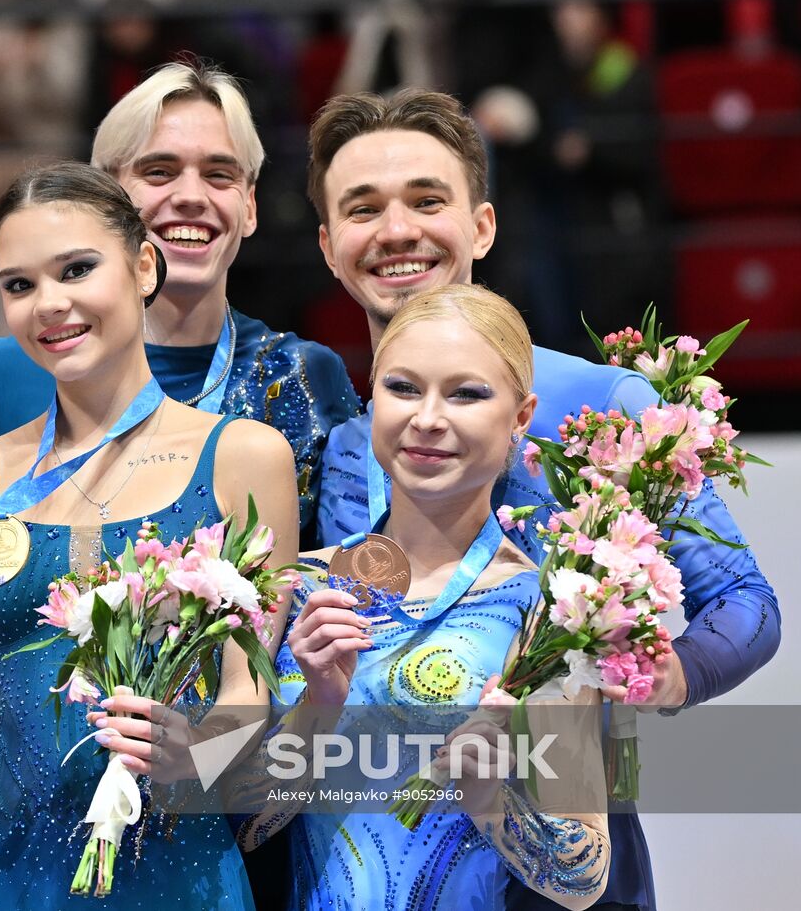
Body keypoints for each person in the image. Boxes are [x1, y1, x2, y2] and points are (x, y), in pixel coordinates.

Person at [308, 88, 779, 910]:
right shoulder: (350, 447)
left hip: (568, 869)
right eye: (363, 208)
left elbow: (747, 602)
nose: (396, 230)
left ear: (482, 225)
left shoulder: (608, 404)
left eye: (427, 200)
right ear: (328, 246)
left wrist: (665, 675)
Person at [0, 162, 299, 906]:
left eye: (77, 269)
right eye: (20, 284)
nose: (49, 305)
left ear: (144, 264)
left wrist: (195, 754)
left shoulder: (245, 459)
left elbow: (248, 698)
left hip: (188, 880)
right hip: (21, 882)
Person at [268, 283, 610, 910]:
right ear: (371, 397)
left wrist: (493, 801)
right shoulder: (303, 588)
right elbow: (237, 829)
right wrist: (315, 711)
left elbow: (583, 877)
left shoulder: (550, 611)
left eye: (467, 394)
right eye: (402, 387)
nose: (428, 417)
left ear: (521, 417)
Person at [0, 61, 360, 543]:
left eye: (219, 174)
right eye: (159, 171)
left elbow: (340, 566)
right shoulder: (1, 373)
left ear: (249, 206)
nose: (191, 196)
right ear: (104, 195)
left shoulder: (304, 373)